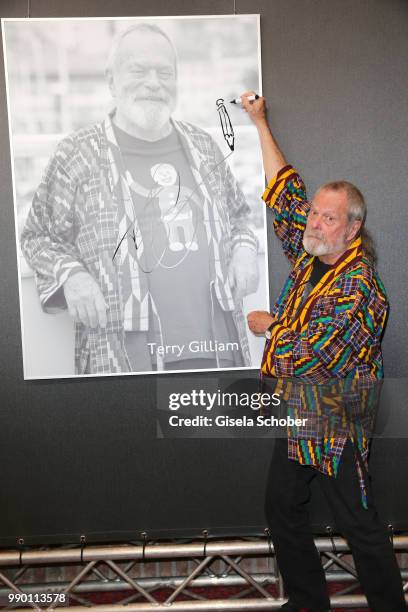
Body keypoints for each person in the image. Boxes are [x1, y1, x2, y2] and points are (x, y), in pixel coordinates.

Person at [242, 91, 406, 612]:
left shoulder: (360, 287)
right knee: (282, 505)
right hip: (299, 413)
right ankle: (308, 601)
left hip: (335, 418)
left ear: (352, 228)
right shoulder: (314, 254)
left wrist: (272, 328)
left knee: (359, 523)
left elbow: (317, 355)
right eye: (315, 214)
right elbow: (283, 191)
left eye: (327, 218)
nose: (313, 222)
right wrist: (260, 121)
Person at [21, 24, 259, 375]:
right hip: (123, 358)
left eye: (165, 72)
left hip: (218, 350)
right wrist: (72, 277)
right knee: (128, 431)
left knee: (220, 432)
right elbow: (38, 236)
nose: (153, 82)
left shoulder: (205, 147)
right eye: (138, 70)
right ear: (111, 80)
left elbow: (240, 216)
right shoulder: (76, 154)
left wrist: (244, 248)